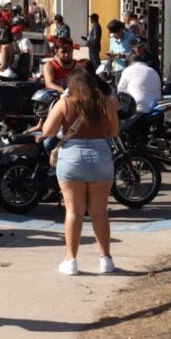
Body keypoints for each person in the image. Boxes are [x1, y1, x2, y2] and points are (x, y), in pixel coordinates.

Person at [41, 68, 119, 276]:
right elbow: (114, 132)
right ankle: (106, 259)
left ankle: (71, 260)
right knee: (100, 212)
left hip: (72, 157)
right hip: (101, 155)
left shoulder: (65, 103)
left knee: (74, 211)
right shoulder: (106, 102)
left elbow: (47, 131)